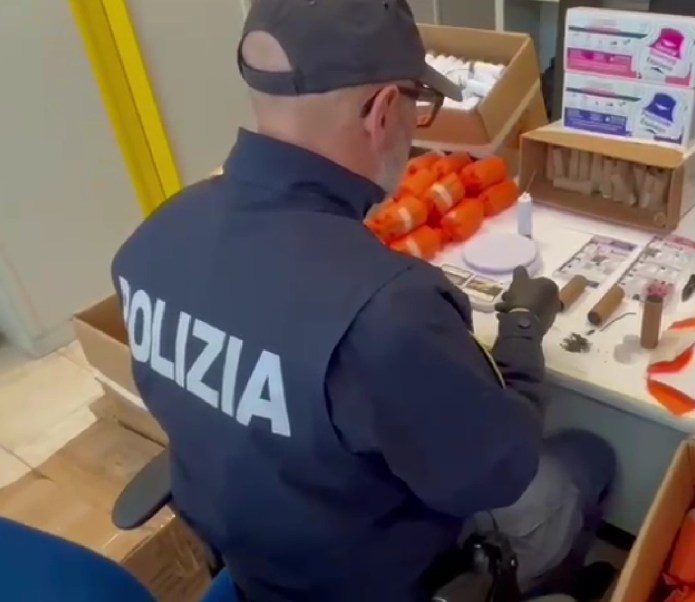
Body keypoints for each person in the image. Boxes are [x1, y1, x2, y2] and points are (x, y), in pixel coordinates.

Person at [110, 1, 616, 601]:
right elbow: (500, 471)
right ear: (381, 110)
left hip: (261, 561)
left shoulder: (153, 240)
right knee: (585, 460)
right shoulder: (386, 312)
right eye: (418, 107)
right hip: (381, 577)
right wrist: (523, 332)